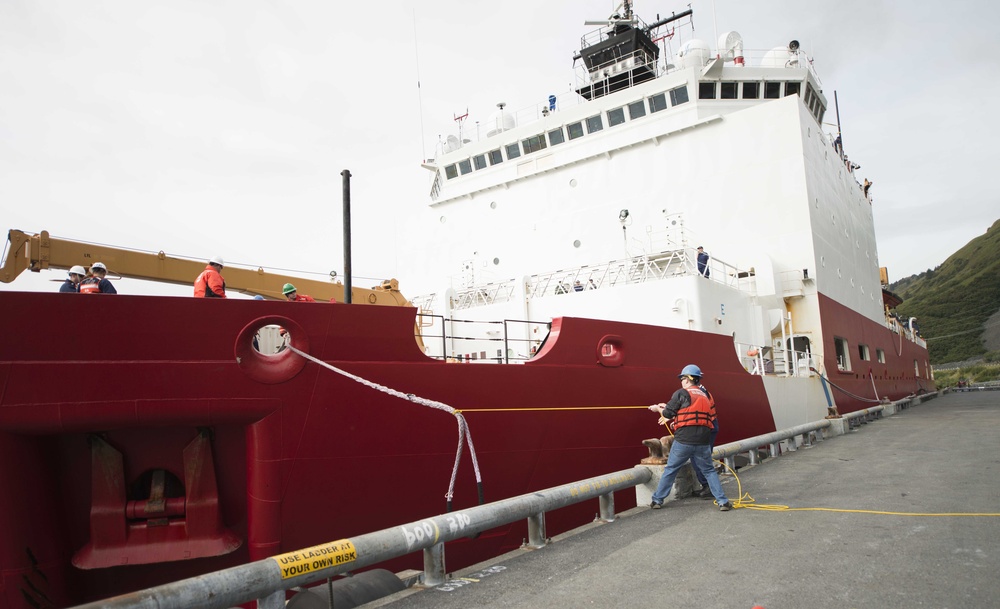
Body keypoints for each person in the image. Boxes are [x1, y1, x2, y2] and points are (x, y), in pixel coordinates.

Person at [647, 364, 733, 511]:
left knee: (671, 469)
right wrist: (665, 407)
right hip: (703, 441)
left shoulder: (681, 393)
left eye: (682, 378)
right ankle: (723, 501)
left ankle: (657, 500)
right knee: (709, 471)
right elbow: (693, 411)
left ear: (687, 379)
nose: (681, 381)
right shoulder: (706, 395)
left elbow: (668, 414)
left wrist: (657, 409)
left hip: (684, 441)